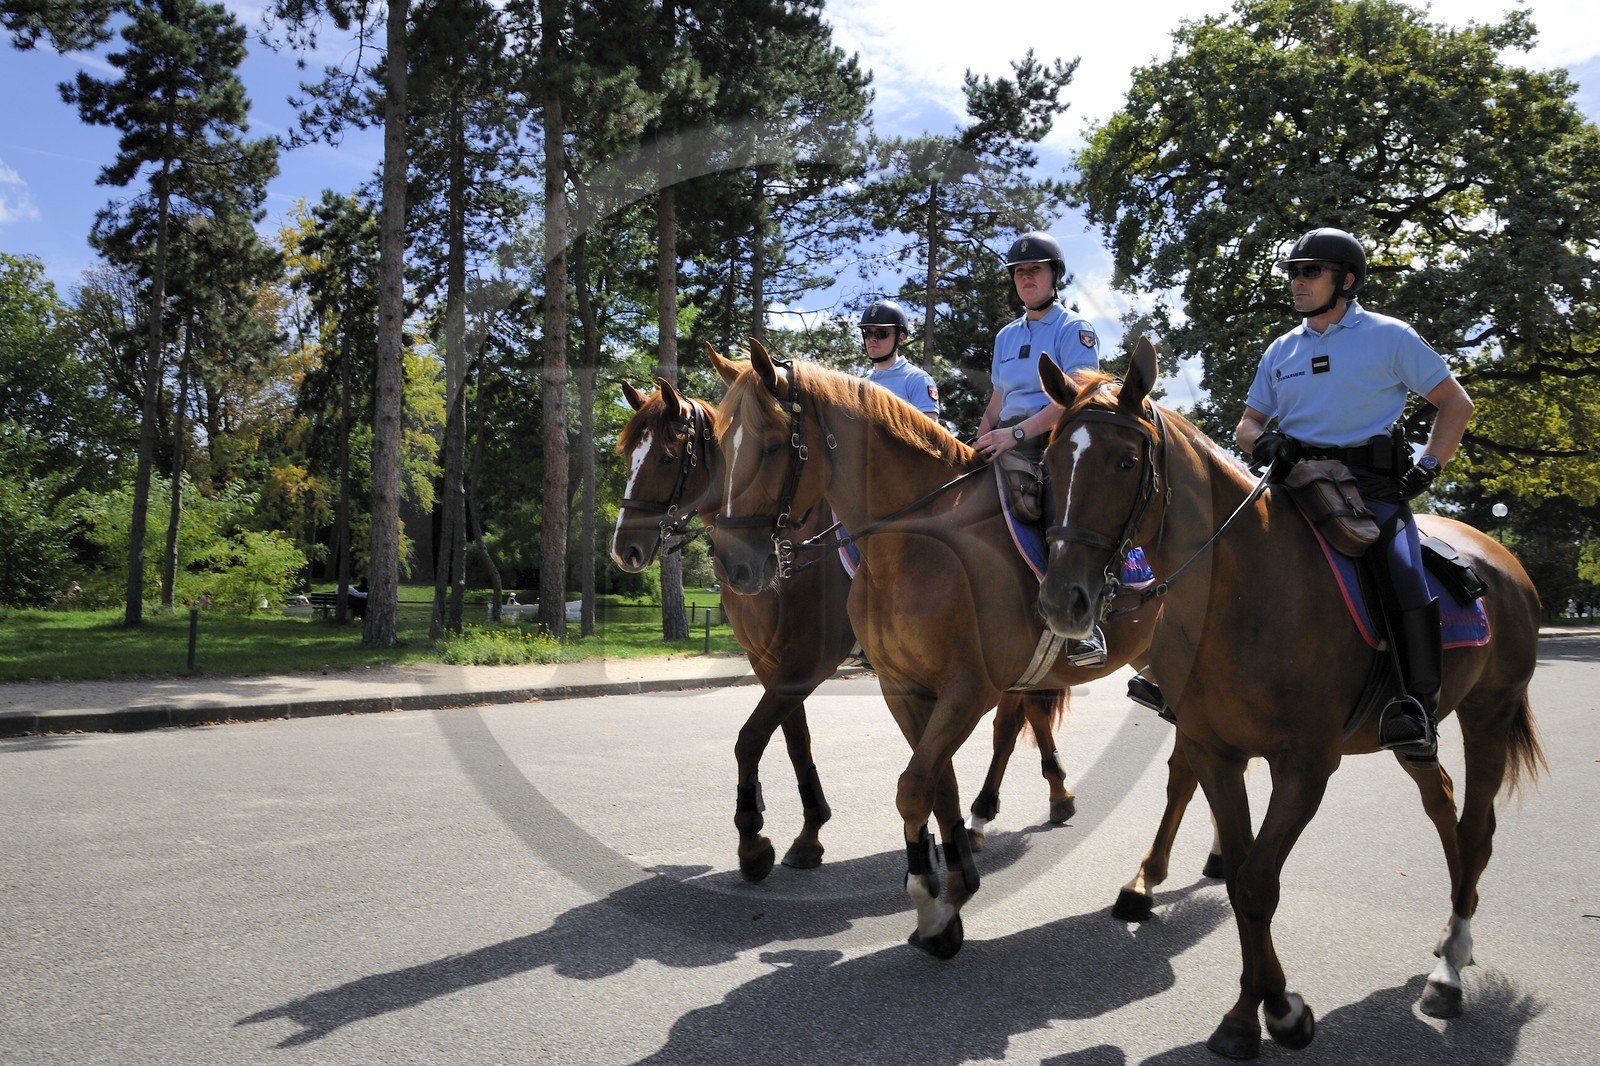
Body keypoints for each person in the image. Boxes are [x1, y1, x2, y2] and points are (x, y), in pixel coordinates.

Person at [1235, 227, 1474, 761]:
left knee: (1404, 576)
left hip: (1372, 492)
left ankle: (1417, 708)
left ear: (1346, 280)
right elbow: (1247, 423)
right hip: (1293, 484)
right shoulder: (1281, 349)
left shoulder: (1390, 336)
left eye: (1310, 271)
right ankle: (1180, 677)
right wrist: (1264, 439)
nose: (1297, 280)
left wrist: (1429, 468)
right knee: (1224, 552)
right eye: (1294, 271)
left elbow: (1455, 404)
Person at [975, 230, 1106, 667]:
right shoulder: (1005, 336)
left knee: (1060, 507)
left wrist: (1014, 435)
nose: (1025, 278)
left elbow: (1074, 397)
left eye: (1035, 270)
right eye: (1019, 272)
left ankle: (1083, 623)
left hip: (1054, 441)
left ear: (1054, 276)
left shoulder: (1075, 330)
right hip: (1004, 439)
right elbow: (996, 403)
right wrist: (977, 441)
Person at [859, 299, 940, 418]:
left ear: (900, 338)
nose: (872, 339)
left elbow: (929, 434)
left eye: (881, 333)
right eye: (868, 333)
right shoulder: (862, 385)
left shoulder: (918, 380)